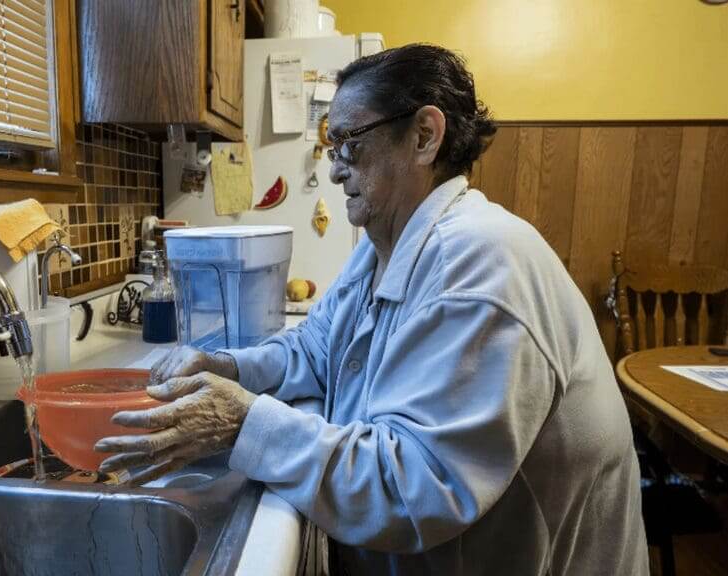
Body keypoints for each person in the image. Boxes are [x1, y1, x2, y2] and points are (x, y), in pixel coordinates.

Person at [95, 44, 649, 575]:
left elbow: (418, 489)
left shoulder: (482, 260)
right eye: (331, 147)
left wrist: (241, 421)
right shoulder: (382, 245)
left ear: (424, 136)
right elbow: (316, 348)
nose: (335, 169)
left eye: (348, 143)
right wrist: (232, 368)